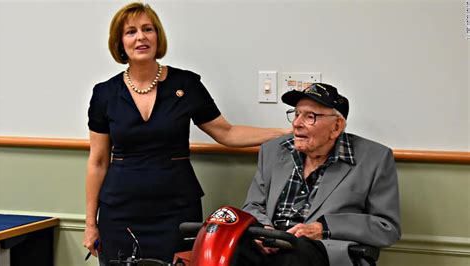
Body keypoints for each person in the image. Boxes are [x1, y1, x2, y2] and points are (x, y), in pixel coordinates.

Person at [82, 2, 290, 264]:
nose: (141, 37)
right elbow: (98, 161)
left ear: (158, 36)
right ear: (119, 42)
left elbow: (226, 132)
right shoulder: (104, 94)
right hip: (119, 212)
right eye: (131, 32)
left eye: (148, 29)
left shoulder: (186, 84)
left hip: (176, 211)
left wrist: (283, 133)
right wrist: (91, 224)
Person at [242, 83, 401, 266]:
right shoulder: (273, 151)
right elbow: (253, 205)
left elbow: (386, 228)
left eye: (310, 117)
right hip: (271, 240)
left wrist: (323, 228)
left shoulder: (374, 159)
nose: (296, 123)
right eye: (296, 114)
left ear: (336, 127)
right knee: (227, 250)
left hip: (322, 247)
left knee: (293, 256)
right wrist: (264, 231)